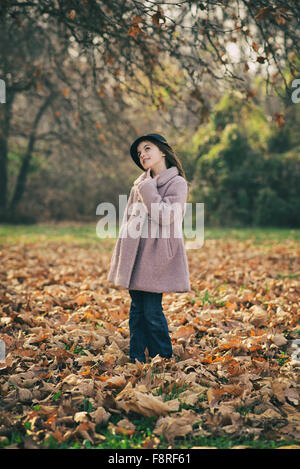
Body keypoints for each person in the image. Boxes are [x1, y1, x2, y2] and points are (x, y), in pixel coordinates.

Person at [107, 133, 191, 363]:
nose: (142, 154)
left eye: (147, 149)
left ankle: (162, 358)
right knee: (136, 311)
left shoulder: (177, 183)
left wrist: (148, 191)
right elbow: (128, 222)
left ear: (162, 151)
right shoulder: (140, 184)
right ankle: (136, 358)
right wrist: (122, 254)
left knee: (153, 312)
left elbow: (166, 216)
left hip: (156, 258)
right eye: (139, 153)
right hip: (135, 256)